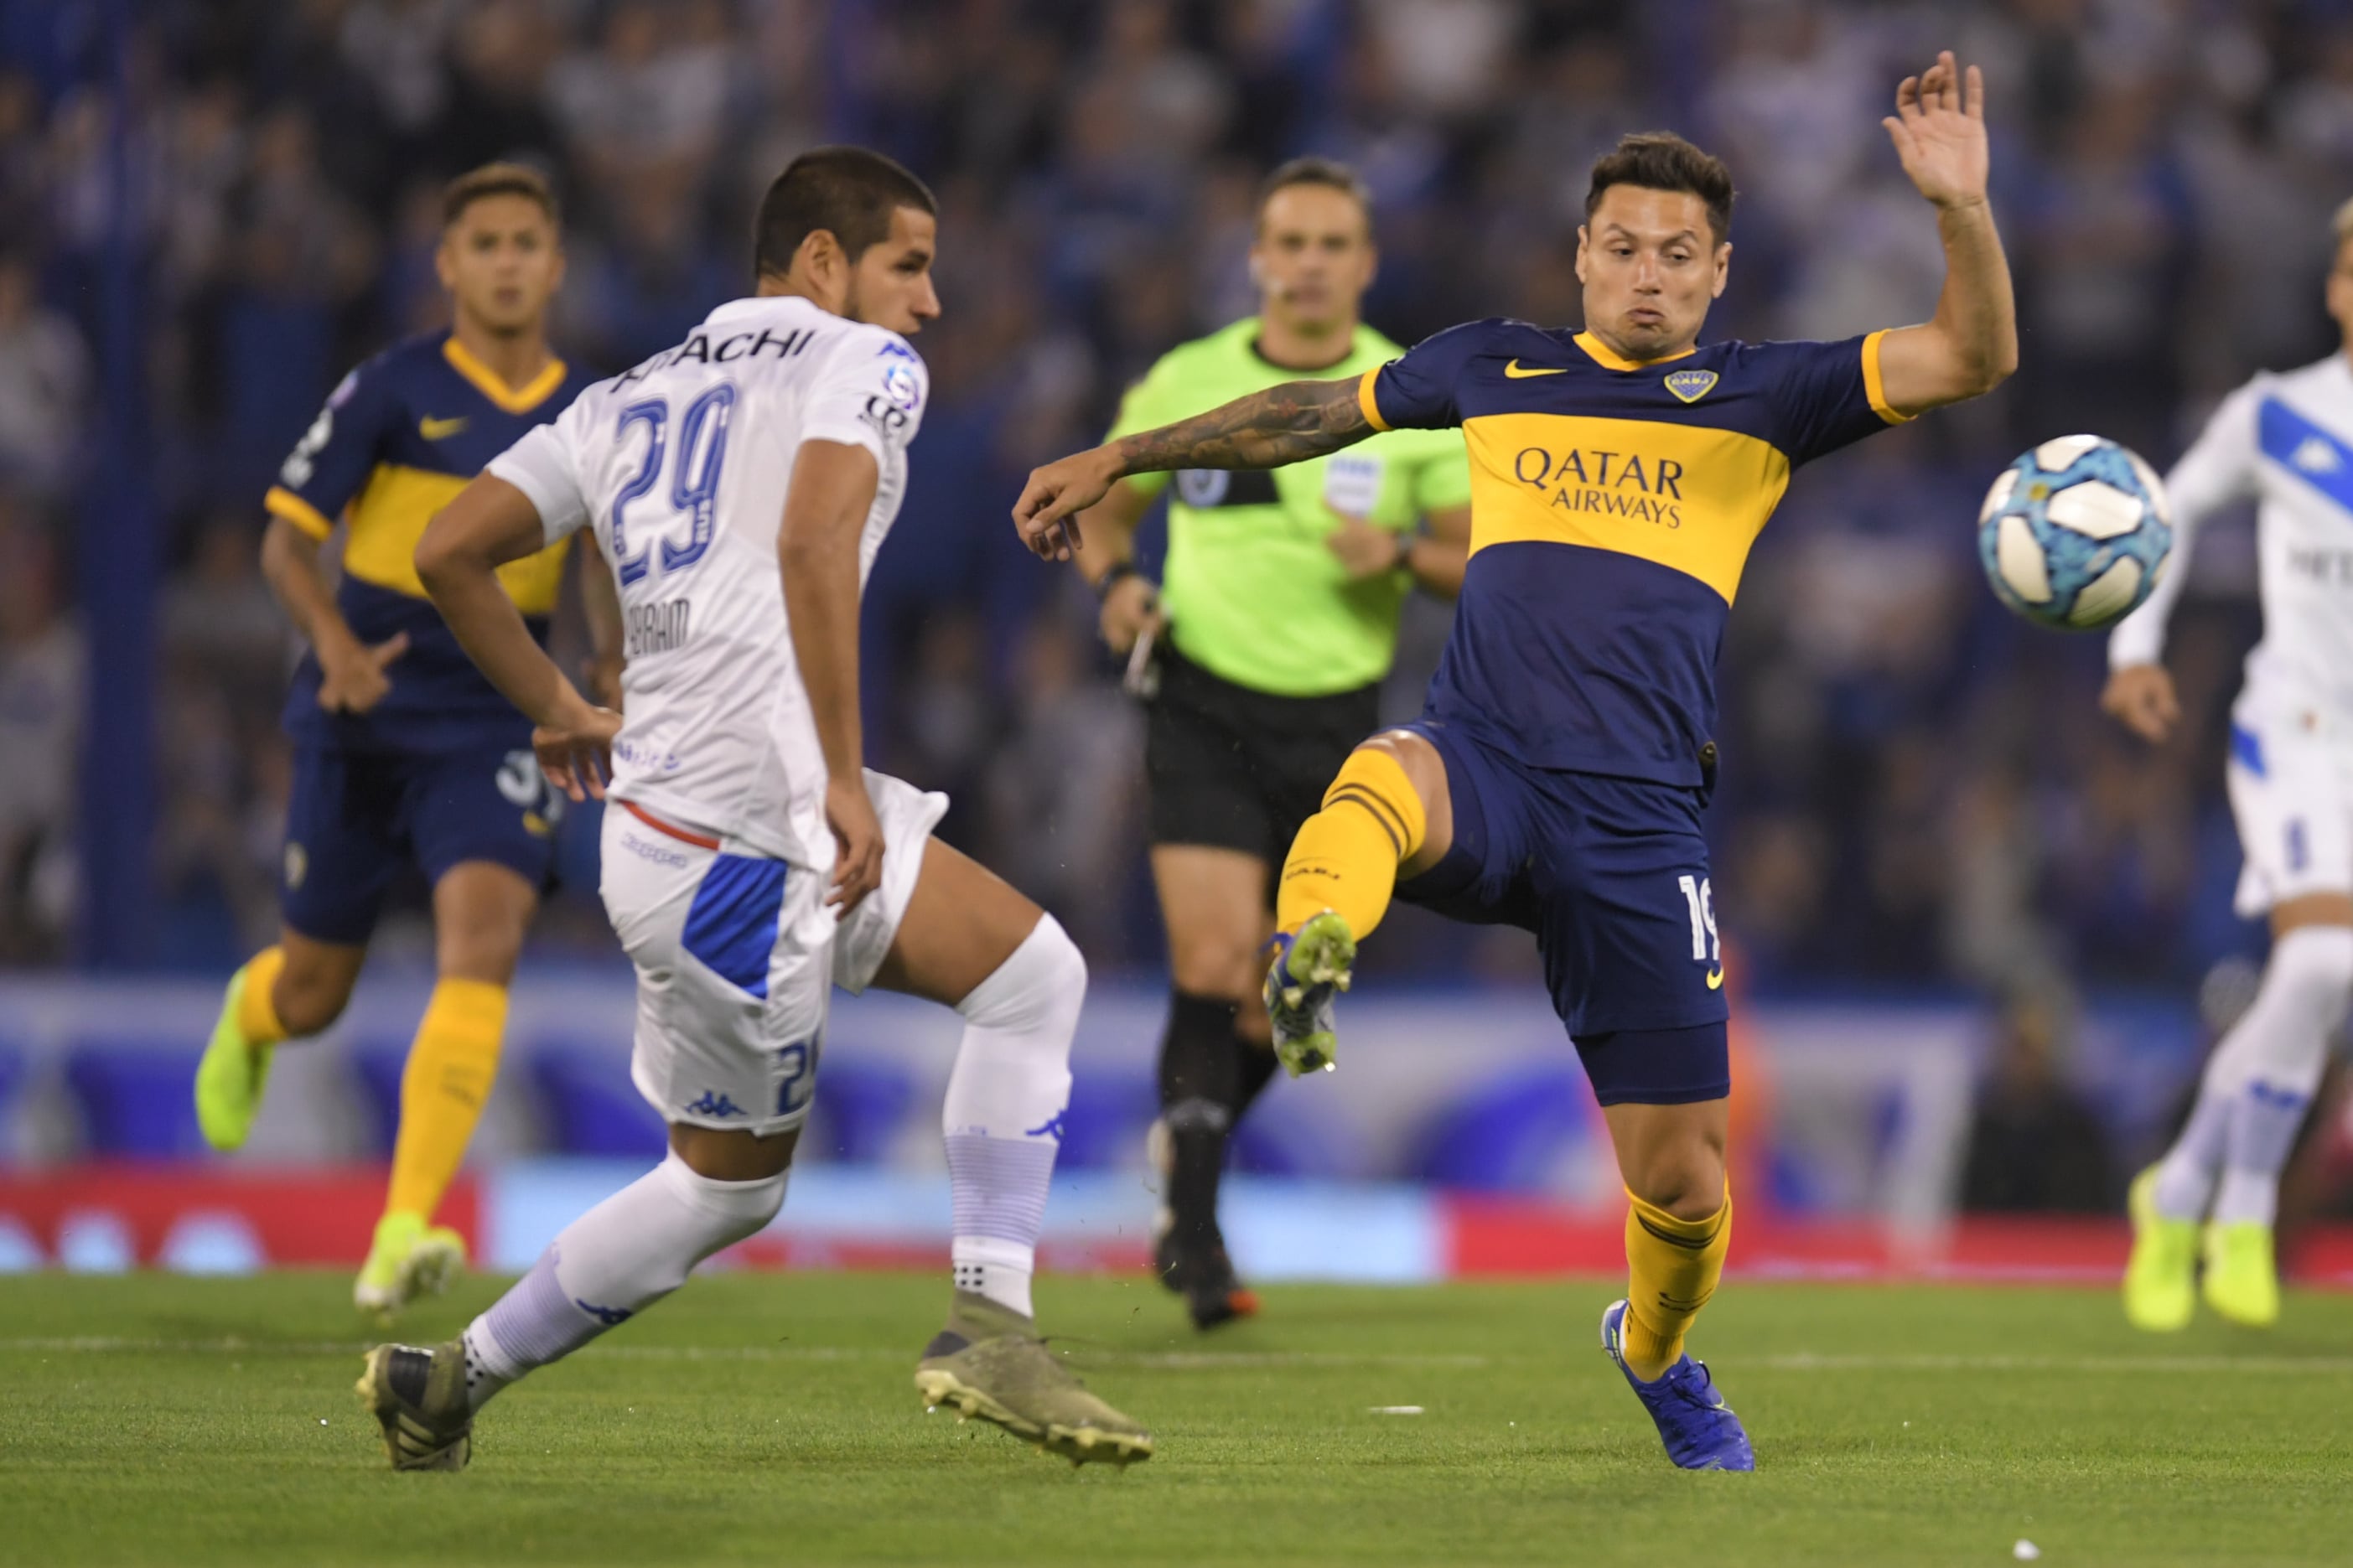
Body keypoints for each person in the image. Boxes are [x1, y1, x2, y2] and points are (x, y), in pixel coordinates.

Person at [1014, 54, 2015, 1471]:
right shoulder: (1495, 364)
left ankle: (1657, 1351)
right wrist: (1126, 454)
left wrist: (1962, 210)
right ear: (1583, 259)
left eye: (1678, 255)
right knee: (1377, 778)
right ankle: (1310, 947)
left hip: (1640, 828)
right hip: (1483, 760)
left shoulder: (1770, 394)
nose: (1649, 277)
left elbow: (1972, 358)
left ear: (1720, 273)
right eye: (1623, 250)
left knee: (1684, 1182)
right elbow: (1307, 414)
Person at [359, 147, 1151, 1473]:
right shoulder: (863, 364)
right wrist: (841, 775)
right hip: (756, 843)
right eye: (910, 264)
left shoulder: (624, 396)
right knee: (735, 1186)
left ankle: (449, 1382)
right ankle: (980, 1330)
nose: (933, 302)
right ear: (826, 265)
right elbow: (809, 540)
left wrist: (556, 701)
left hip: (678, 829)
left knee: (1023, 982)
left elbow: (449, 551)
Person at [191, 163, 618, 1317]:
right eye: (485, 242)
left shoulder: (591, 407)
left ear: (556, 261)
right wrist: (329, 644)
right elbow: (287, 543)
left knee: (482, 939)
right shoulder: (392, 386)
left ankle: (401, 1228)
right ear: (448, 264)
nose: (509, 261)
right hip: (368, 699)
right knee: (318, 990)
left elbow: (597, 553)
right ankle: (255, 1010)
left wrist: (605, 667)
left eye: (528, 240)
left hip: (495, 706)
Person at [1070, 157, 1470, 1329]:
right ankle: (1193, 1230)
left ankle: (1180, 1161)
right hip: (1201, 697)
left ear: (1366, 263)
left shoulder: (1404, 395)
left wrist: (1398, 555)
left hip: (1336, 723)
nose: (1307, 262)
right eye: (1288, 240)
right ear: (1256, 258)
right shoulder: (1192, 379)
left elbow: (1475, 555)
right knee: (1208, 958)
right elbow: (1107, 494)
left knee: (1267, 1001)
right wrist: (1113, 585)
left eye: (1331, 243)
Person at [2105, 197, 2353, 1333]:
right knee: (2316, 971)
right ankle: (2243, 1205)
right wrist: (2135, 646)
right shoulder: (2278, 415)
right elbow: (2169, 510)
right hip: (2294, 731)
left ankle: (2183, 1186)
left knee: (2323, 984)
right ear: (2337, 289)